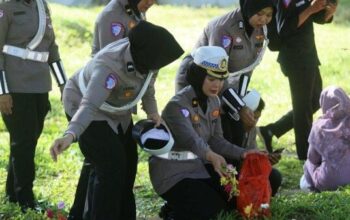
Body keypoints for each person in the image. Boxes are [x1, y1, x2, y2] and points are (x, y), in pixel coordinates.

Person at [49, 21, 183, 220]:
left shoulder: (148, 59)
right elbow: (89, 105)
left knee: (128, 163)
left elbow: (148, 87)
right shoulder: (109, 66)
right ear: (146, 55)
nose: (160, 66)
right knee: (110, 167)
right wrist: (70, 135)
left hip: (117, 109)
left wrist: (153, 114)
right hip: (83, 104)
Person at [149, 46, 262, 219]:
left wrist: (244, 153)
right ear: (199, 76)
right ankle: (173, 212)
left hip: (199, 168)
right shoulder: (177, 106)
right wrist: (212, 156)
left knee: (235, 200)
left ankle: (176, 208)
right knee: (211, 210)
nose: (217, 85)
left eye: (221, 79)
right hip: (173, 173)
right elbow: (192, 141)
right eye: (211, 79)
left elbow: (217, 140)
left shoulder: (214, 101)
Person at [68, 0, 155, 219]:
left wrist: (151, 110)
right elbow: (111, 63)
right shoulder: (112, 17)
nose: (151, 2)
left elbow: (144, 69)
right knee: (108, 166)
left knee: (112, 164)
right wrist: (70, 133)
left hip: (118, 104)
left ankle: (82, 213)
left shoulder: (135, 13)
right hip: (100, 98)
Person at [0, 0, 67, 211]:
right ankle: (25, 199)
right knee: (24, 142)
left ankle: (12, 192)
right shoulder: (6, 6)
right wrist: (2, 92)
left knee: (26, 142)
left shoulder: (41, 5)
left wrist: (64, 84)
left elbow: (52, 47)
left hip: (40, 86)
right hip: (15, 87)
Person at [258, 0, 338, 160]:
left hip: (309, 56)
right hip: (295, 59)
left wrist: (329, 10)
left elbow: (317, 18)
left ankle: (271, 130)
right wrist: (311, 9)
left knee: (315, 101)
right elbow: (284, 29)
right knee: (303, 109)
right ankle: (306, 155)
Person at [221, 90, 282, 196]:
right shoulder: (227, 128)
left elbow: (252, 155)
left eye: (257, 118)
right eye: (251, 117)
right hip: (228, 172)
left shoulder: (252, 129)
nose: (253, 121)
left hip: (245, 173)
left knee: (274, 176)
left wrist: (265, 160)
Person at [301, 86, 350, 192]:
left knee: (308, 164)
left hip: (328, 182)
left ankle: (311, 187)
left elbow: (312, 157)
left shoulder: (320, 126)